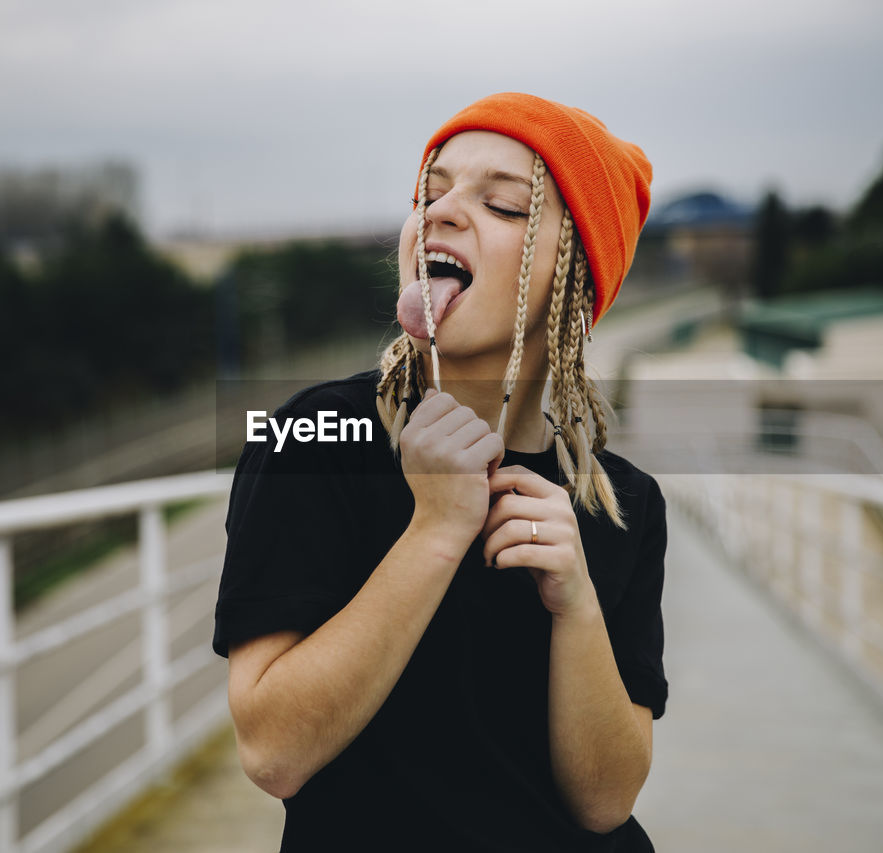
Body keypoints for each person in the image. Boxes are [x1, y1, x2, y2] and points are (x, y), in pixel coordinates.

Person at [213, 92, 668, 852]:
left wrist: (577, 605)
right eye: (431, 191)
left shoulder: (623, 501)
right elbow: (273, 752)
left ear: (574, 284)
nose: (444, 211)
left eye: (503, 205)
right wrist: (436, 530)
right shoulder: (317, 437)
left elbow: (604, 801)